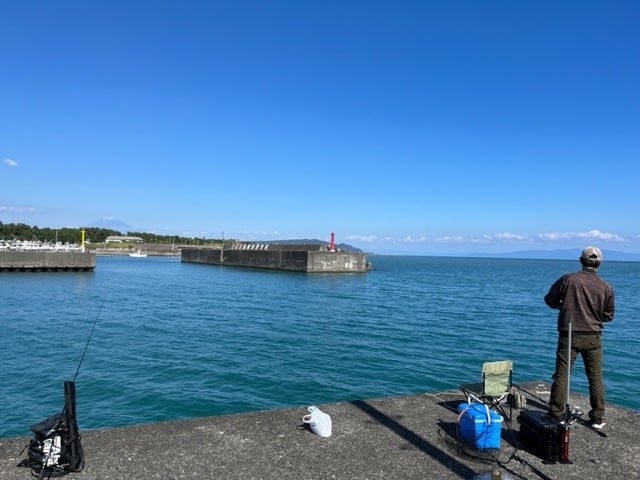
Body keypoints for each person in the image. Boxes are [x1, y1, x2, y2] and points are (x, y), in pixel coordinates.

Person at [544, 246, 615, 429]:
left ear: (581, 260)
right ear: (599, 263)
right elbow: (608, 316)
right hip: (593, 336)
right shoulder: (606, 286)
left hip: (569, 334)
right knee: (595, 377)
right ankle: (597, 417)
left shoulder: (569, 279)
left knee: (562, 375)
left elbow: (550, 299)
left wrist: (562, 306)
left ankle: (556, 413)